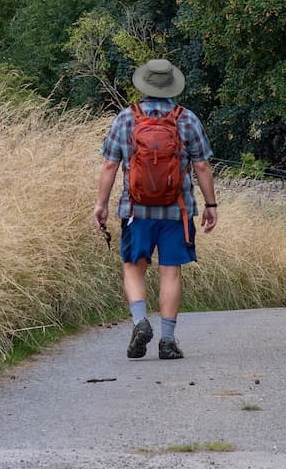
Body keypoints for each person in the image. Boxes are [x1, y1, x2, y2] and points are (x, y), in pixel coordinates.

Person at [93, 58, 219, 361]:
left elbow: (111, 164)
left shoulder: (126, 118)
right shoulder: (186, 119)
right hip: (177, 210)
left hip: (135, 210)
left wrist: (101, 205)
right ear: (171, 86)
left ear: (144, 86)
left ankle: (140, 322)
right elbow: (201, 165)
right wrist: (210, 204)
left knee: (133, 267)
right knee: (170, 272)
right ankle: (167, 340)